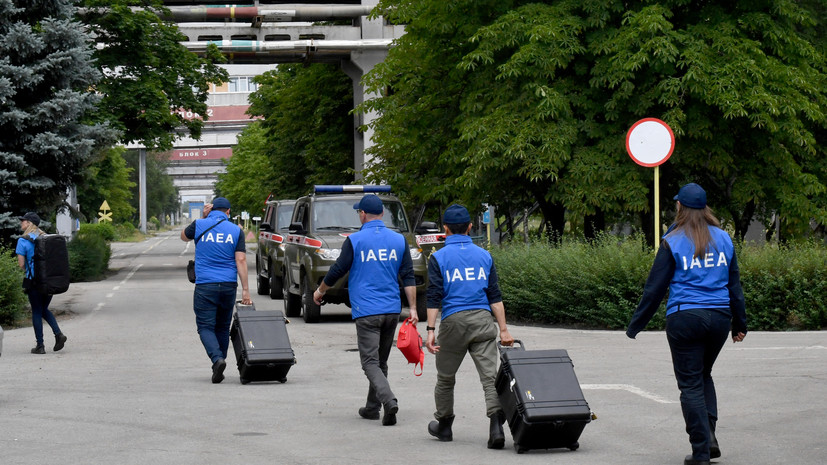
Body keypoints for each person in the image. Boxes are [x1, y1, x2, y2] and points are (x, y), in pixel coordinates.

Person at [626, 183, 748, 465]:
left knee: (690, 384)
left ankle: (701, 452)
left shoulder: (674, 240)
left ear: (680, 206)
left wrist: (636, 324)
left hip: (685, 317)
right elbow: (735, 287)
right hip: (719, 317)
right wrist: (740, 324)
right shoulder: (725, 239)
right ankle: (710, 438)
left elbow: (654, 288)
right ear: (706, 208)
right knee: (703, 375)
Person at [313, 194, 417, 426]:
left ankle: (389, 400)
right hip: (391, 310)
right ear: (382, 214)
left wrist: (320, 291)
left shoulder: (356, 240)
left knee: (370, 362)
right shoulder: (399, 240)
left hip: (367, 310)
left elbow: (338, 269)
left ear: (362, 214)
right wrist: (412, 308)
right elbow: (408, 276)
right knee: (380, 361)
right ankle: (372, 408)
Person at [424, 204, 514, 449]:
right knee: (489, 378)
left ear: (445, 229)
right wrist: (503, 329)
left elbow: (434, 297)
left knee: (445, 377)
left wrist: (431, 331)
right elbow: (495, 296)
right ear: (470, 227)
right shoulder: (484, 256)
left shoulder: (439, 257)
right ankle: (496, 427)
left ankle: (444, 426)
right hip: (483, 321)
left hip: (453, 322)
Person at [180, 197, 252, 383]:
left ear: (210, 210)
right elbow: (241, 260)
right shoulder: (236, 230)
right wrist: (245, 290)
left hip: (205, 285)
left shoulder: (199, 224)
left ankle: (217, 359)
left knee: (205, 326)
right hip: (228, 285)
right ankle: (220, 360)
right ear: (228, 212)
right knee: (222, 326)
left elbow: (183, 236)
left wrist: (204, 217)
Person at [16, 212, 68, 354]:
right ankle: (58, 335)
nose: (21, 223)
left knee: (37, 311)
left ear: (29, 223)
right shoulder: (46, 238)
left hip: (34, 282)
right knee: (44, 309)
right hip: (49, 280)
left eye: (23, 221)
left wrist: (28, 268)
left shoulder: (23, 241)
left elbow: (21, 264)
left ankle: (40, 345)